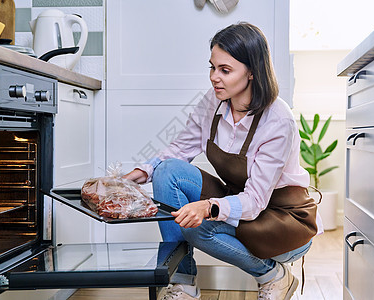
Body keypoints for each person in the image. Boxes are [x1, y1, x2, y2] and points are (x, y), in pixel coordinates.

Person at [123, 22, 323, 300]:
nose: (214, 78)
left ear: (252, 71)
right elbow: (180, 148)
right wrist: (139, 173)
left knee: (194, 228)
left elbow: (254, 201)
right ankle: (183, 283)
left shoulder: (278, 120)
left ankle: (272, 275)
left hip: (282, 219)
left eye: (225, 70)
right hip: (238, 199)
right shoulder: (214, 100)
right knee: (166, 171)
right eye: (212, 67)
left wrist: (207, 207)